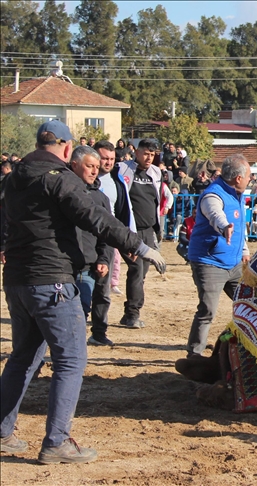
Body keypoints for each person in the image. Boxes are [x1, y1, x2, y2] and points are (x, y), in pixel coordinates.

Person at [0, 120, 165, 464]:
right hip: (53, 280)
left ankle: (2, 431)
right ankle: (56, 441)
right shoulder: (59, 179)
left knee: (23, 357)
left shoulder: (13, 178)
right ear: (65, 148)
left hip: (17, 280)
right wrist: (141, 247)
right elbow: (97, 218)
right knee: (71, 359)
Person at [185, 154, 251, 358]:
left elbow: (239, 227)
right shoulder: (213, 195)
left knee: (248, 305)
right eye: (249, 176)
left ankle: (247, 349)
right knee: (207, 310)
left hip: (234, 263)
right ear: (238, 178)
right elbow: (216, 214)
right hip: (209, 262)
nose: (251, 179)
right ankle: (194, 354)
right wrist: (224, 227)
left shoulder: (237, 194)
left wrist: (244, 250)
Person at [90, 140, 136, 346]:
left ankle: (99, 332)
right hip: (83, 239)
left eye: (111, 159)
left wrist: (130, 240)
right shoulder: (80, 180)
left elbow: (125, 212)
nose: (107, 162)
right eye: (104, 158)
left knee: (102, 289)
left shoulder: (117, 181)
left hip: (107, 240)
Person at [116, 138, 164, 329]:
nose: (148, 158)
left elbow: (157, 201)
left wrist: (157, 230)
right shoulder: (122, 169)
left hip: (148, 231)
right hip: (129, 231)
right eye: (145, 153)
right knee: (136, 270)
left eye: (152, 155)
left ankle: (130, 311)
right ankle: (132, 315)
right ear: (136, 151)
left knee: (141, 273)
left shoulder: (156, 173)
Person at [68, 146, 113, 340]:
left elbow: (107, 232)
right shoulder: (60, 192)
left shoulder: (100, 198)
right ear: (75, 165)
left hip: (87, 265)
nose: (95, 171)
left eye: (97, 166)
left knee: (82, 308)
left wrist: (103, 257)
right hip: (61, 265)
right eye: (90, 166)